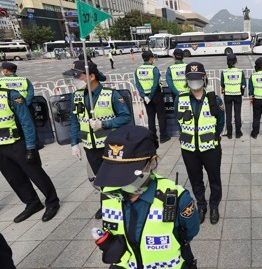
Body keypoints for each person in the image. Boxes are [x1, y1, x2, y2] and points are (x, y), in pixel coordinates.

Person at [93, 125, 201, 269]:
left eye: (128, 174)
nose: (121, 184)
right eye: (115, 174)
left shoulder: (178, 199)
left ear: (152, 162)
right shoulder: (108, 194)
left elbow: (190, 232)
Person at [64, 60, 131, 219]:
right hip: (90, 146)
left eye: (77, 76)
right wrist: (74, 144)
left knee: (117, 177)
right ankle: (106, 205)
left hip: (112, 145)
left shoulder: (111, 94)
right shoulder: (77, 96)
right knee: (101, 179)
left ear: (91, 76)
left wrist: (104, 123)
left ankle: (124, 203)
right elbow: (75, 121)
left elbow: (126, 117)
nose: (74, 81)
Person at [174, 62, 224, 225]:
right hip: (189, 149)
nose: (194, 82)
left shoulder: (214, 99)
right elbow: (178, 120)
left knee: (214, 178)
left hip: (210, 147)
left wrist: (213, 136)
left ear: (204, 78)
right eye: (191, 79)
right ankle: (201, 205)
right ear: (187, 81)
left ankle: (214, 205)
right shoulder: (180, 99)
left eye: (197, 78)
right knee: (195, 179)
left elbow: (221, 122)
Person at [0, 85, 59, 223]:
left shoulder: (11, 96)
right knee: (14, 178)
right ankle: (32, 203)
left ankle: (52, 202)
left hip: (18, 143)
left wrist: (31, 147)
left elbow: (27, 122)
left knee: (36, 174)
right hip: (1, 149)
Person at [135, 50, 170, 144]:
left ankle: (153, 137)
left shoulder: (138, 70)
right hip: (156, 95)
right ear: (150, 58)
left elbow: (138, 85)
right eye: (153, 57)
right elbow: (155, 85)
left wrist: (144, 96)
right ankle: (163, 136)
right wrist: (150, 96)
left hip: (145, 97)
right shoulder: (154, 69)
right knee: (161, 116)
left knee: (151, 117)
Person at [220, 53, 246, 139]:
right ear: (236, 61)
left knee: (228, 115)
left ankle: (230, 134)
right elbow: (244, 84)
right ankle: (238, 133)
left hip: (227, 95)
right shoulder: (240, 71)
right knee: (237, 115)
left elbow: (222, 84)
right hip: (237, 95)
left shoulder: (224, 72)